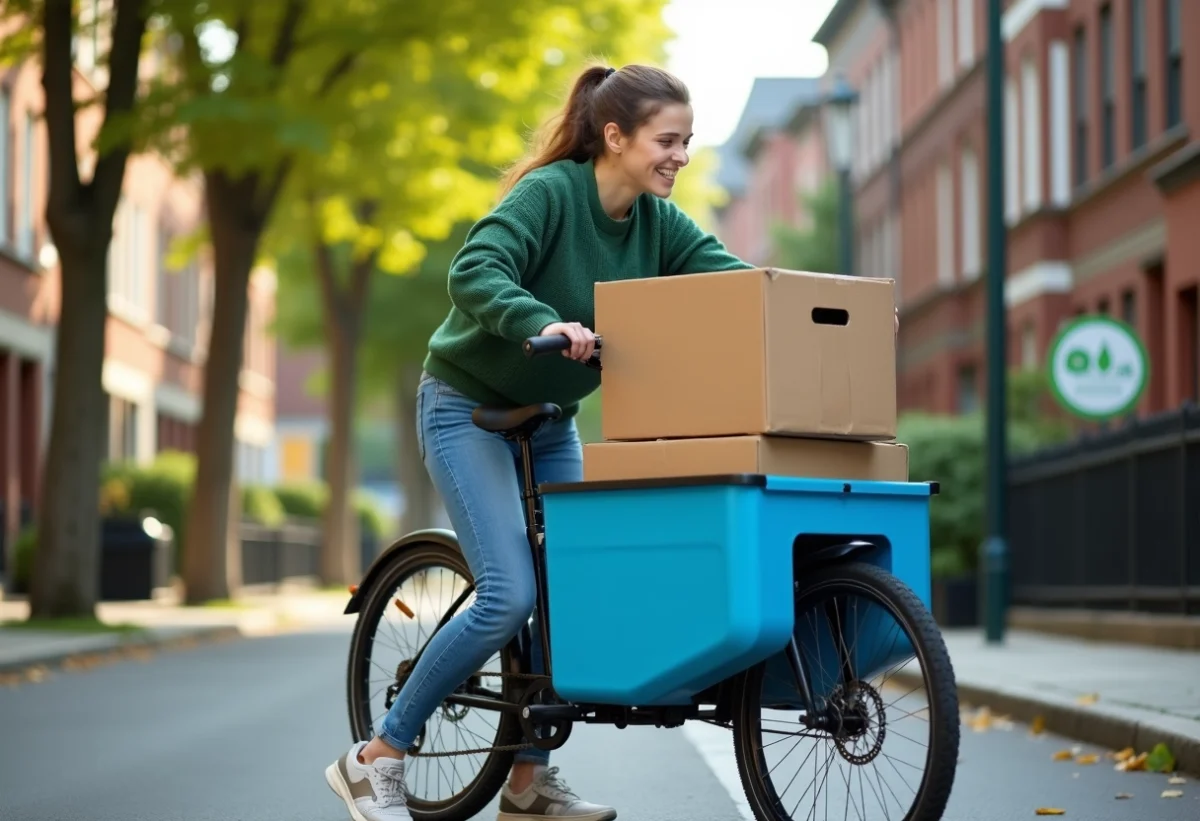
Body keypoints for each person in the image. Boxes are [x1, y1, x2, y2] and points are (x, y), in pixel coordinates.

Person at [326, 62, 897, 821]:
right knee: (509, 594)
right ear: (616, 135)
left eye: (688, 141)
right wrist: (541, 321)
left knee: (576, 595)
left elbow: (736, 284)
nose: (681, 155)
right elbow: (475, 269)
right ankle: (380, 755)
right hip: (465, 407)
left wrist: (833, 312)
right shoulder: (551, 194)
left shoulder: (660, 226)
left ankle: (527, 784)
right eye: (668, 139)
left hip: (549, 416)